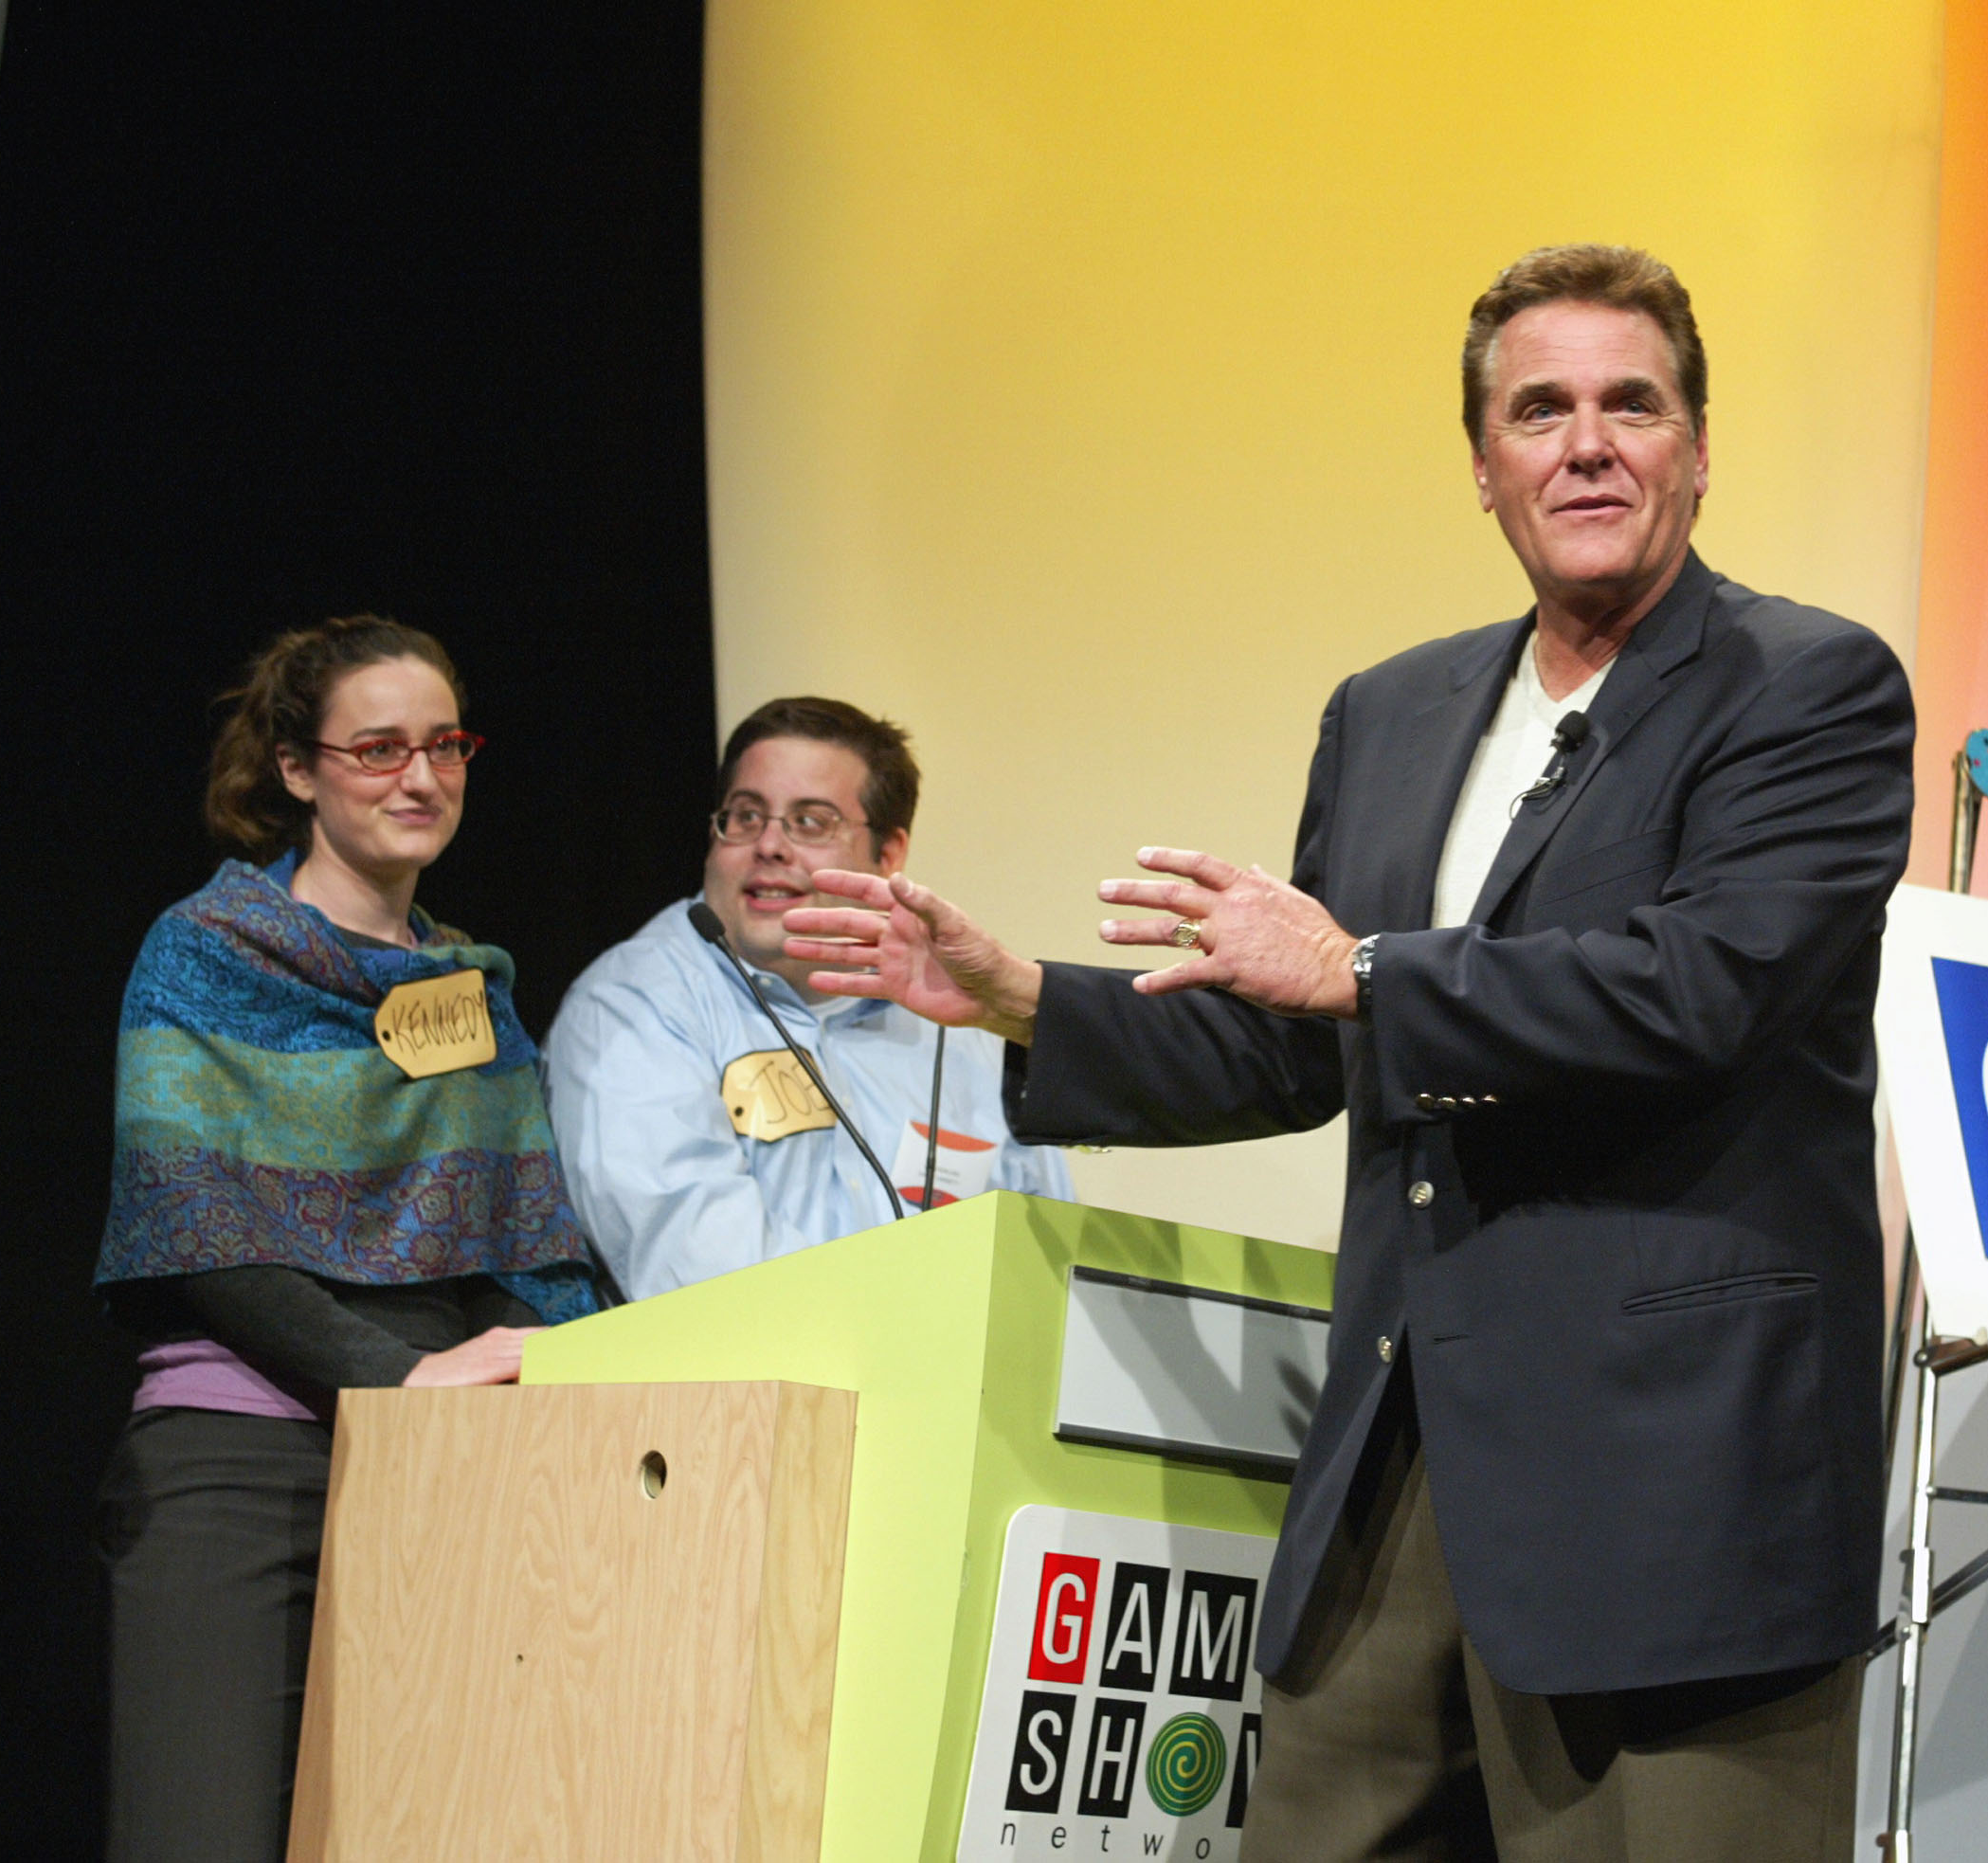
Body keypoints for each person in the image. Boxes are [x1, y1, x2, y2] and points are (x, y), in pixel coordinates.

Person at [785, 244, 1915, 1859]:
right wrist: (1026, 993)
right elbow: (1305, 1051)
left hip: (1665, 1491)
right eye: (1540, 410)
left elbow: (1697, 990)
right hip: (1405, 1466)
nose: (1585, 442)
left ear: (1698, 450)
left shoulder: (1809, 689)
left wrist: (1364, 964)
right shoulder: (1392, 713)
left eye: (1630, 405)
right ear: (1482, 466)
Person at [94, 615, 603, 1862]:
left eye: (445, 745)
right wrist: (400, 1375)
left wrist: (561, 1367)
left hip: (447, 1472)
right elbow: (193, 1220)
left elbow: (532, 1244)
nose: (421, 778)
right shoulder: (208, 953)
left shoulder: (470, 989)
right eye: (377, 748)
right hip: (243, 1458)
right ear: (296, 766)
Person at [542, 696, 1070, 1300]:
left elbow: (1040, 1261)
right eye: (744, 817)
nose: (770, 845)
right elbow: (705, 1283)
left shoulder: (954, 1020)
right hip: (744, 1391)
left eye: (811, 822)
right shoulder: (632, 1007)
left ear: (889, 854)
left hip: (948, 1381)